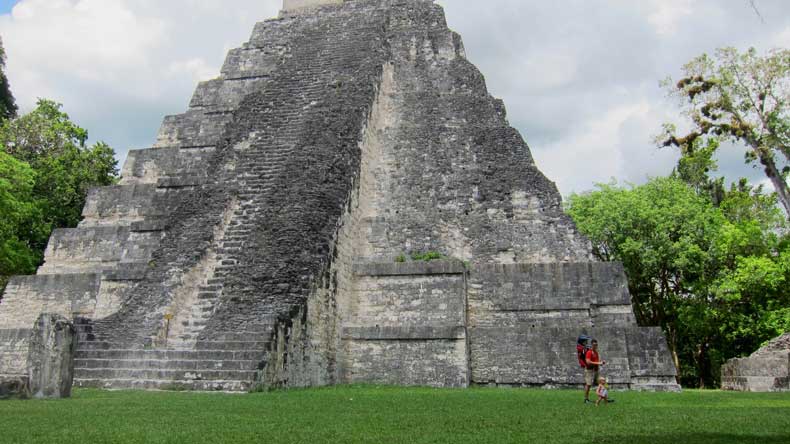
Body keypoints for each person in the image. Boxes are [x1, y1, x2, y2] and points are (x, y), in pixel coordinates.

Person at [584, 339, 606, 404]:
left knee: (601, 383)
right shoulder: (589, 352)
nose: (595, 346)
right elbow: (588, 362)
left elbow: (596, 362)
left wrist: (600, 363)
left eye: (596, 345)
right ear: (591, 345)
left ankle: (604, 398)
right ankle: (586, 399)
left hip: (595, 370)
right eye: (594, 345)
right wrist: (599, 363)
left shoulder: (596, 353)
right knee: (588, 385)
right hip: (589, 370)